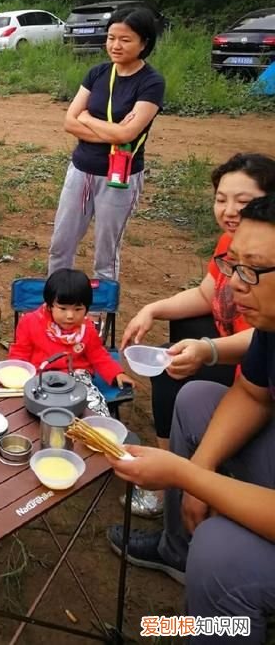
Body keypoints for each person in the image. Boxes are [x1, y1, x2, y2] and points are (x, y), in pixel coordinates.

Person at [107, 194, 275, 645]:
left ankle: (215, 619)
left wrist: (186, 475)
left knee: (221, 553)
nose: (236, 285)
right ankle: (176, 552)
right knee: (199, 397)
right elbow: (253, 394)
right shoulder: (270, 328)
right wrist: (198, 469)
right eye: (233, 264)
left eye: (252, 270)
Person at [119, 153, 275, 517]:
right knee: (177, 343)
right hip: (246, 372)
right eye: (221, 199)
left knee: (173, 372)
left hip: (247, 368)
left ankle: (169, 482)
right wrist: (153, 308)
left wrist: (208, 350)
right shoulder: (228, 244)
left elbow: (262, 337)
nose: (229, 210)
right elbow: (207, 294)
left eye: (244, 201)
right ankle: (177, 474)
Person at [49, 6, 165, 281]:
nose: (116, 45)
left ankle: (102, 317)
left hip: (120, 177)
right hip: (81, 171)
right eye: (112, 37)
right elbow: (69, 122)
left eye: (125, 40)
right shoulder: (97, 73)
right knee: (60, 246)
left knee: (106, 254)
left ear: (144, 43)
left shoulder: (151, 82)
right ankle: (57, 302)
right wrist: (112, 130)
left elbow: (128, 135)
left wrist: (88, 118)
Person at [8, 268, 135, 416]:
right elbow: (20, 353)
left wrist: (115, 373)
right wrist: (15, 375)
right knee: (35, 415)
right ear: (50, 306)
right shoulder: (29, 323)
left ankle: (95, 434)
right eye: (62, 308)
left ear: (87, 309)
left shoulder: (86, 329)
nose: (70, 315)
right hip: (40, 376)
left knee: (93, 412)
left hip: (76, 377)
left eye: (78, 309)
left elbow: (98, 355)